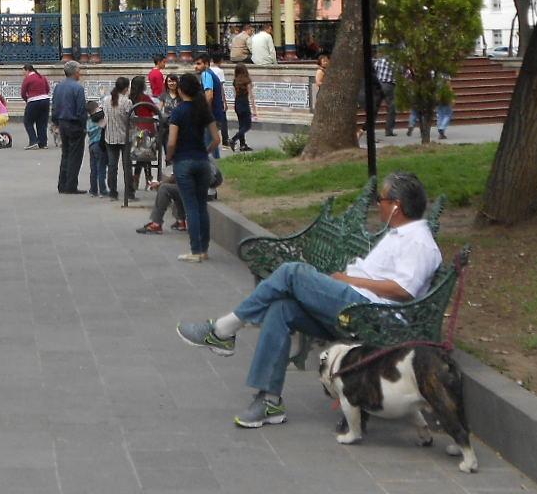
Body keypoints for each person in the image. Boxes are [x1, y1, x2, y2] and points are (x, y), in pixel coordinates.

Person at [175, 172, 442, 430]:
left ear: (397, 206)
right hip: (356, 305)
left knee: (292, 272)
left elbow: (403, 290)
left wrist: (351, 282)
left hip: (369, 314)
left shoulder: (419, 242)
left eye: (381, 201)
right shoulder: (400, 234)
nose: (378, 207)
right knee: (282, 309)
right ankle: (269, 401)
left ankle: (224, 329)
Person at [165, 71, 219, 262]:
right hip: (202, 161)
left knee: (191, 208)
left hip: (184, 162)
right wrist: (205, 151)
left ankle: (195, 251)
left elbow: (172, 141)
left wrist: (169, 157)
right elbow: (216, 139)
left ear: (180, 90)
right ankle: (204, 249)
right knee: (202, 205)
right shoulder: (203, 110)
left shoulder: (178, 112)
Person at [51, 60, 88, 193]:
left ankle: (62, 184)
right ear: (75, 72)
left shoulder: (58, 87)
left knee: (65, 153)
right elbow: (81, 110)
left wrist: (55, 122)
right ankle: (71, 185)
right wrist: (84, 126)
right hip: (74, 124)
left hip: (62, 123)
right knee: (75, 155)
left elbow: (54, 106)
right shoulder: (78, 88)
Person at [103, 76, 131, 199]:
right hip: (124, 137)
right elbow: (131, 118)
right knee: (127, 166)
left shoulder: (106, 100)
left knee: (112, 166)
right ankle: (129, 192)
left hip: (110, 136)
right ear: (126, 88)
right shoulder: (127, 102)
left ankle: (112, 192)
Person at [19, 63, 51, 149]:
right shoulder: (42, 77)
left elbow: (23, 93)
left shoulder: (28, 79)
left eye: (23, 72)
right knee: (42, 123)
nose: (23, 74)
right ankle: (43, 143)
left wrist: (28, 100)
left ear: (27, 70)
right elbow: (48, 89)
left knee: (28, 122)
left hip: (33, 101)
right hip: (45, 100)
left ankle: (33, 141)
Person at [230, 64, 255, 152]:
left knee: (241, 125)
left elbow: (234, 94)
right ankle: (233, 139)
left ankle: (242, 145)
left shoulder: (235, 81)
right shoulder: (247, 81)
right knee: (247, 125)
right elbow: (251, 96)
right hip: (244, 103)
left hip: (237, 103)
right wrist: (254, 110)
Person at [85, 100, 107, 197]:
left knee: (93, 169)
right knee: (101, 168)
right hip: (99, 144)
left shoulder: (89, 121)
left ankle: (93, 190)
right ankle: (102, 190)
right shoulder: (99, 119)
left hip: (91, 145)